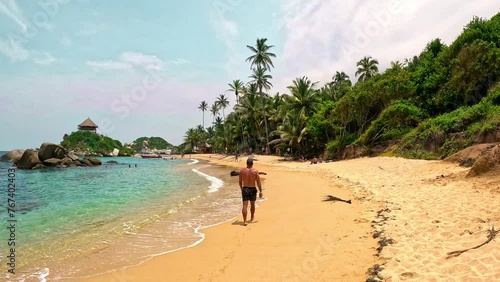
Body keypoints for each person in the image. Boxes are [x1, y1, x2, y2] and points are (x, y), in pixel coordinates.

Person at [239, 158, 263, 226]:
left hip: (245, 188)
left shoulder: (242, 171)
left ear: (246, 163)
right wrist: (260, 191)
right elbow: (258, 182)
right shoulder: (255, 171)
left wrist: (242, 189)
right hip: (252, 189)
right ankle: (252, 217)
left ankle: (245, 221)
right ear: (252, 164)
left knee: (244, 205)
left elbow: (240, 182)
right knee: (252, 204)